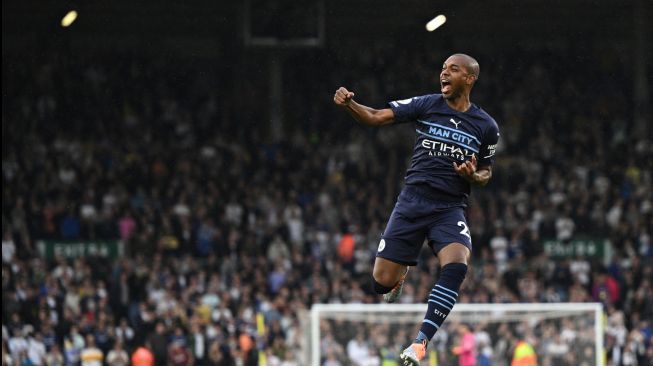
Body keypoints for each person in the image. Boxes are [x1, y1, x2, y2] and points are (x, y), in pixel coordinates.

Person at [334, 53, 499, 366]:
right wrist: (350, 105)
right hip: (412, 202)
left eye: (453, 69)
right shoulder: (427, 104)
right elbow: (376, 117)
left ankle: (421, 342)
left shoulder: (486, 126)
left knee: (458, 264)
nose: (444, 73)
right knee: (380, 283)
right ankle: (398, 276)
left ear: (469, 78)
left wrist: (471, 175)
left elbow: (487, 173)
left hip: (449, 207)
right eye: (442, 69)